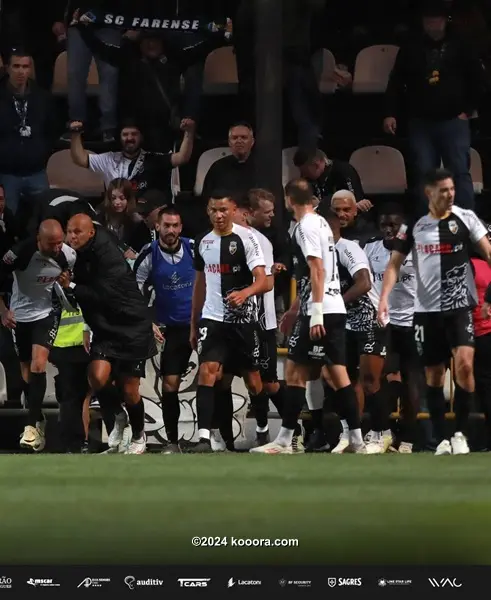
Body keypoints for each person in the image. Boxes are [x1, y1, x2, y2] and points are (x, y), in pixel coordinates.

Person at [379, 168, 491, 455]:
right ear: (429, 193)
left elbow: (489, 253)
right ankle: (441, 439)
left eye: (452, 189)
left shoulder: (466, 218)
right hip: (426, 312)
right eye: (443, 190)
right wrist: (383, 299)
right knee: (434, 377)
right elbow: (393, 265)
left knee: (465, 367)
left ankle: (461, 435)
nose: (450, 194)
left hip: (459, 308)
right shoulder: (415, 225)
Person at [251, 179, 365, 454]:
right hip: (333, 306)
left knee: (294, 372)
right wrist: (295, 310)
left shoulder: (306, 227)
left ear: (290, 199)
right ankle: (358, 440)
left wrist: (313, 315)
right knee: (338, 374)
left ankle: (284, 441)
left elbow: (316, 270)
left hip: (321, 309)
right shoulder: (322, 225)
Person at [60, 214, 157, 455]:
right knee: (97, 376)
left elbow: (102, 296)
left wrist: (70, 286)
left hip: (132, 325)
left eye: (77, 232)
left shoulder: (108, 256)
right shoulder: (78, 253)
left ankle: (138, 436)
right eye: (69, 231)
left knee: (129, 389)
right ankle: (118, 416)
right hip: (105, 327)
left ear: (91, 233)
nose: (72, 237)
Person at [383, 1, 485, 214]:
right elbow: (396, 81)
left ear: (445, 20)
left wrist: (469, 109)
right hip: (421, 121)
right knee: (423, 172)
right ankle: (426, 219)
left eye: (436, 19)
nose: (432, 24)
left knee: (459, 171)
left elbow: (477, 79)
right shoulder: (411, 46)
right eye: (428, 20)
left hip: (453, 120)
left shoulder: (461, 44)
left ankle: (466, 219)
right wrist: (391, 113)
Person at [190, 192, 269, 453]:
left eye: (224, 209)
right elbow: (200, 284)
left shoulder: (247, 239)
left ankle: (262, 430)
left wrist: (245, 293)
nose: (219, 215)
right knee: (208, 373)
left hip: (243, 320)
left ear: (233, 209)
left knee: (253, 380)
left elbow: (265, 281)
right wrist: (194, 322)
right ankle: (204, 437)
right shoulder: (202, 241)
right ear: (208, 211)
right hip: (213, 319)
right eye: (214, 209)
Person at [0, 219, 76, 451]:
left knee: (38, 364)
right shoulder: (20, 253)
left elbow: (69, 277)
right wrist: (3, 311)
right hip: (20, 315)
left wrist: (67, 281)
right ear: (38, 239)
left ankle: (31, 427)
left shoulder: (68, 254)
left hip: (46, 312)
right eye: (50, 244)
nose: (56, 248)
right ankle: (37, 417)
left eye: (59, 243)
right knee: (26, 372)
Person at [135, 207, 195, 454]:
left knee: (214, 378)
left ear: (181, 228)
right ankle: (172, 442)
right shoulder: (148, 254)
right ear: (157, 227)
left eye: (175, 226)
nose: (171, 230)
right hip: (173, 327)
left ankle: (216, 439)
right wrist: (147, 321)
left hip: (200, 324)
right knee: (170, 385)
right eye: (166, 225)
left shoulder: (195, 248)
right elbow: (134, 290)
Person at [364, 204, 418, 453]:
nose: (388, 230)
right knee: (377, 378)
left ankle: (407, 439)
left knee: (411, 383)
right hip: (383, 322)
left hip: (412, 322)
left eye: (393, 226)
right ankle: (381, 431)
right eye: (384, 225)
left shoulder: (416, 251)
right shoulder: (370, 249)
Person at [69, 119, 195, 202]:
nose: (129, 138)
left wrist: (189, 132)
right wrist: (75, 134)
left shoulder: (153, 159)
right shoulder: (109, 159)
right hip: (116, 211)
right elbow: (80, 159)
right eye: (125, 134)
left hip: (143, 214)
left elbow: (182, 157)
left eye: (134, 134)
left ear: (141, 137)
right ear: (119, 138)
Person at [50, 303, 91, 453]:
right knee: (73, 395)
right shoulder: (55, 285)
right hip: (65, 345)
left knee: (82, 395)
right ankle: (75, 443)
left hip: (91, 343)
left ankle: (79, 442)